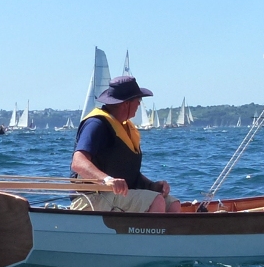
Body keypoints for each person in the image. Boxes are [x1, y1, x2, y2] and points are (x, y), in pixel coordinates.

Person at [70, 75, 181, 213]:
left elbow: (127, 172)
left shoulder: (125, 127)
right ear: (126, 103)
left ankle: (164, 234)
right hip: (92, 199)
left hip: (117, 196)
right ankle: (145, 234)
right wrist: (106, 179)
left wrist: (151, 185)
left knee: (173, 204)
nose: (140, 104)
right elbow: (78, 162)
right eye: (138, 100)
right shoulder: (96, 124)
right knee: (156, 200)